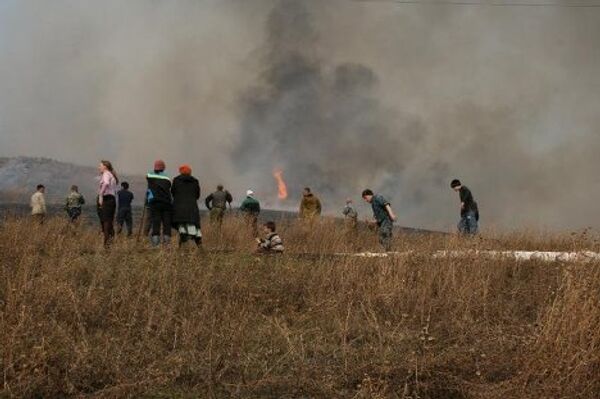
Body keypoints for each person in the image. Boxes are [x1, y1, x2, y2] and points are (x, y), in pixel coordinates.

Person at [171, 164, 202, 248]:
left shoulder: (176, 180)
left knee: (181, 227)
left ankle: (182, 246)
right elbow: (197, 195)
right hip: (192, 208)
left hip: (179, 208)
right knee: (194, 228)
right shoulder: (195, 181)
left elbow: (173, 192)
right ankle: (199, 247)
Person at [146, 160, 173, 246]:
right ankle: (166, 243)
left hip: (155, 203)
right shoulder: (167, 178)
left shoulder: (150, 176)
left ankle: (155, 244)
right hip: (166, 203)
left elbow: (147, 176)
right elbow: (169, 186)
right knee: (166, 223)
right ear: (163, 168)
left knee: (156, 223)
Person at [98, 160, 119, 248]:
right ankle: (110, 243)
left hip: (107, 199)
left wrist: (100, 195)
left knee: (106, 223)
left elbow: (106, 183)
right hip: (112, 200)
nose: (99, 167)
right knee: (109, 222)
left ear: (105, 167)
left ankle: (106, 246)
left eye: (100, 166)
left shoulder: (106, 174)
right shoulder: (112, 175)